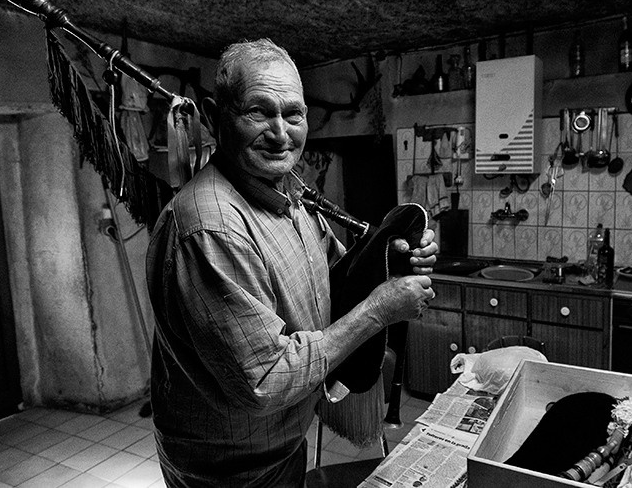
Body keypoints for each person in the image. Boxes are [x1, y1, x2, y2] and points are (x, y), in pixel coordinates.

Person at [146, 38, 437, 487]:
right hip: (233, 472)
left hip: (282, 443)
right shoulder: (211, 228)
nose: (281, 132)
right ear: (211, 115)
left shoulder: (287, 193)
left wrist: (391, 259)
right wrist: (381, 309)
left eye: (294, 114)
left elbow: (333, 274)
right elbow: (267, 380)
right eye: (258, 112)